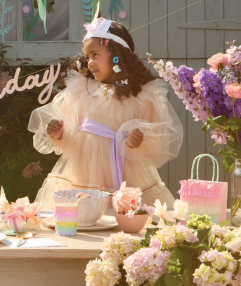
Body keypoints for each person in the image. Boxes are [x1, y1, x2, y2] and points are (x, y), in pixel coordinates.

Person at [28, 18, 182, 209]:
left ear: (117, 55)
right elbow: (70, 132)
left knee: (126, 219)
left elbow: (155, 142)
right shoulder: (81, 90)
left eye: (95, 55)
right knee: (82, 216)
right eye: (87, 57)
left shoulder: (142, 96)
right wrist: (59, 133)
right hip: (82, 174)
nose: (90, 63)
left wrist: (135, 143)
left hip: (127, 176)